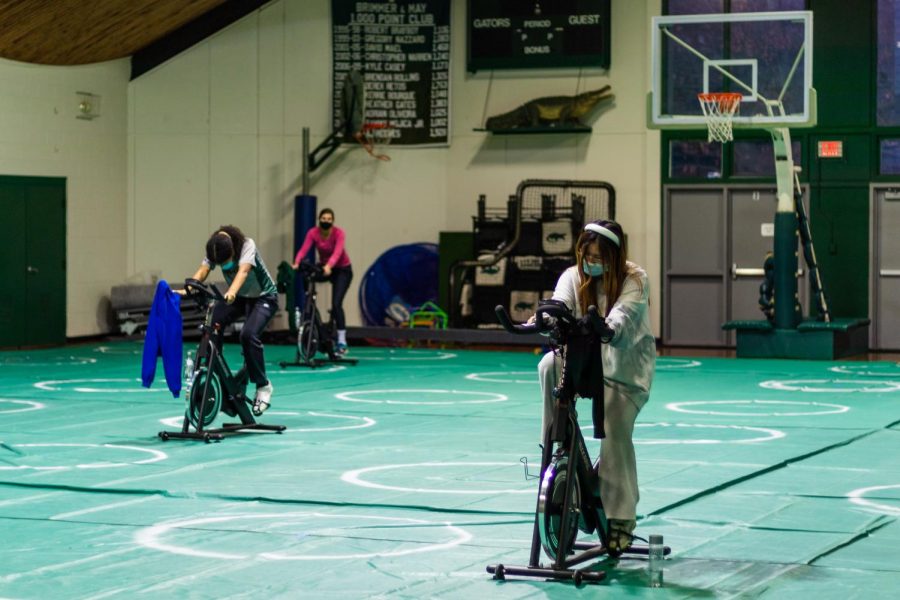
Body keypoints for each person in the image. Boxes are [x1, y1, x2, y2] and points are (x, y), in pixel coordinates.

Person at [536, 219, 655, 554]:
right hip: (584, 362)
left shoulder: (634, 279)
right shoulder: (573, 276)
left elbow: (624, 317)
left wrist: (606, 327)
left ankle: (621, 520)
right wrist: (547, 318)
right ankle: (554, 443)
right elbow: (560, 302)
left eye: (599, 256)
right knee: (548, 365)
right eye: (587, 254)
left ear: (614, 257)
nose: (591, 261)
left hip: (624, 370)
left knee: (615, 425)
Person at [184, 225, 279, 415]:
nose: (225, 266)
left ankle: (263, 386)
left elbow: (243, 272)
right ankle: (220, 379)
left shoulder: (246, 245)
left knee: (248, 335)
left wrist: (232, 291)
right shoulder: (215, 248)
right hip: (239, 297)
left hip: (263, 296)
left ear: (234, 250)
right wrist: (189, 287)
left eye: (227, 262)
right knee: (211, 324)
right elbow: (203, 271)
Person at [292, 208, 353, 354]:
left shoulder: (339, 233)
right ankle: (311, 311)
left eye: (329, 219)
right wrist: (296, 262)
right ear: (319, 219)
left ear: (333, 221)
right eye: (323, 218)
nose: (326, 221)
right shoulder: (313, 232)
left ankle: (342, 341)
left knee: (336, 304)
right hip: (325, 267)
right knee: (307, 275)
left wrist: (329, 266)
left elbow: (338, 251)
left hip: (342, 270)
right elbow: (304, 248)